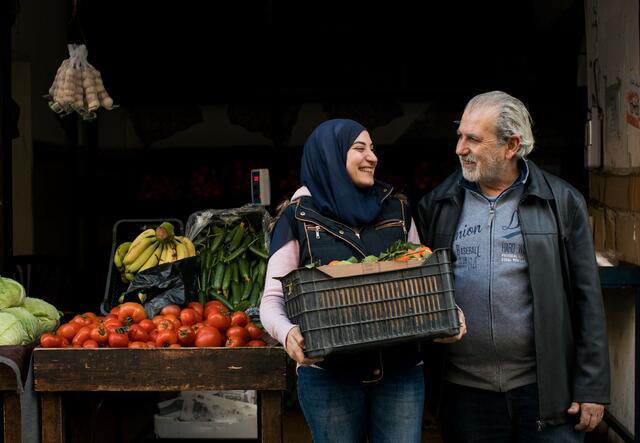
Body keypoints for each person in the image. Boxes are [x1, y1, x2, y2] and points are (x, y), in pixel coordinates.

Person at [417, 91, 610, 442]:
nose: (460, 148)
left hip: (545, 390)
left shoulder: (561, 202)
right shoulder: (438, 204)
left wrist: (592, 386)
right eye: (460, 135)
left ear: (511, 146)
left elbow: (587, 299)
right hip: (464, 393)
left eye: (473, 139)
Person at [260, 118, 465, 443]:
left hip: (401, 370)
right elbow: (272, 300)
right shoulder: (297, 217)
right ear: (330, 155)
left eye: (372, 149)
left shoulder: (396, 209)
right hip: (329, 375)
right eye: (359, 148)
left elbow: (421, 273)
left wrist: (447, 309)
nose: (372, 157)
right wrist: (288, 335)